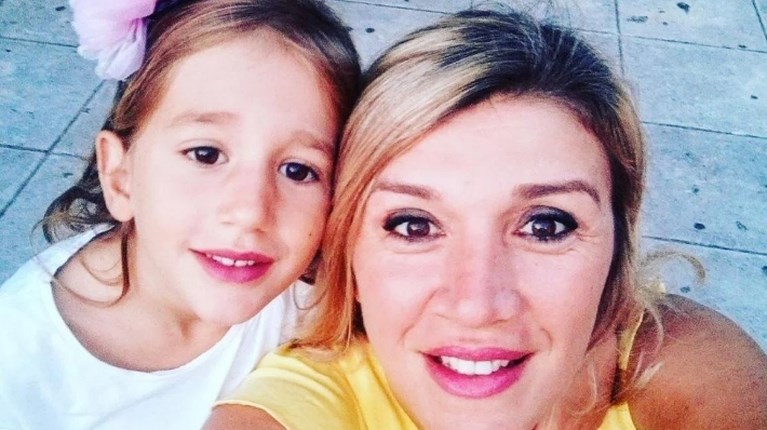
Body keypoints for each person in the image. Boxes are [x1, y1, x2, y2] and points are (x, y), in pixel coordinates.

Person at [204, 7, 767, 430]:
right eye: (413, 225)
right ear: (347, 248)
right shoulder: (293, 406)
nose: (476, 306)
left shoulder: (683, 363)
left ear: (619, 243)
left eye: (546, 225)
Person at [0, 0, 359, 429]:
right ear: (120, 177)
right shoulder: (17, 368)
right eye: (205, 154)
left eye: (298, 170)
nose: (250, 211)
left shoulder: (317, 300)